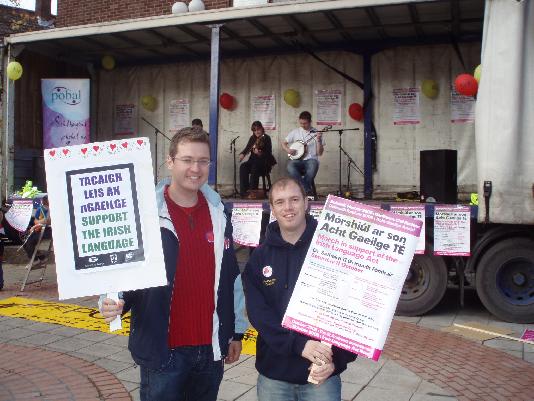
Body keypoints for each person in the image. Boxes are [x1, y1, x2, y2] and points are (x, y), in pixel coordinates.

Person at [100, 126, 247, 401]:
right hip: (164, 353)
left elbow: (231, 276)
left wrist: (236, 331)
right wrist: (114, 300)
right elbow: (121, 269)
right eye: (187, 160)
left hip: (210, 351)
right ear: (170, 162)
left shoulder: (219, 213)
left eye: (203, 161)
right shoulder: (145, 214)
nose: (196, 168)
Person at [243, 177, 356, 401]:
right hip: (274, 376)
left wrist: (337, 361)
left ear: (307, 203)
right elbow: (259, 314)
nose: (288, 208)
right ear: (272, 209)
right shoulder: (260, 256)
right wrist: (298, 345)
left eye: (294, 199)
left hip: (322, 374)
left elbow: (350, 309)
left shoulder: (333, 249)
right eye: (280, 202)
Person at [281, 111, 324, 197]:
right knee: (290, 166)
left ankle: (302, 191)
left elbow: (320, 153)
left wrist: (319, 140)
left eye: (305, 123)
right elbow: (283, 143)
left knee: (313, 166)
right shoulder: (295, 132)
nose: (303, 125)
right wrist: (288, 150)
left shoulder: (316, 132)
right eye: (301, 123)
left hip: (311, 159)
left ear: (310, 121)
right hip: (297, 160)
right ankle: (307, 190)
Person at [239, 121, 276, 197]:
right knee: (243, 167)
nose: (256, 132)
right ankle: (244, 192)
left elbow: (269, 153)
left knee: (254, 167)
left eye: (258, 129)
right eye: (254, 130)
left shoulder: (267, 138)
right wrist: (243, 154)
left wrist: (260, 153)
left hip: (264, 163)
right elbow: (247, 148)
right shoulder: (252, 138)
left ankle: (253, 191)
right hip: (253, 161)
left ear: (262, 129)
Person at [23, 195, 51, 260]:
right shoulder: (40, 208)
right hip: (40, 229)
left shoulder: (52, 209)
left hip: (47, 230)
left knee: (30, 241)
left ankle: (36, 258)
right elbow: (36, 221)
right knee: (26, 242)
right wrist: (40, 223)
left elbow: (48, 221)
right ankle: (38, 257)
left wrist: (39, 223)